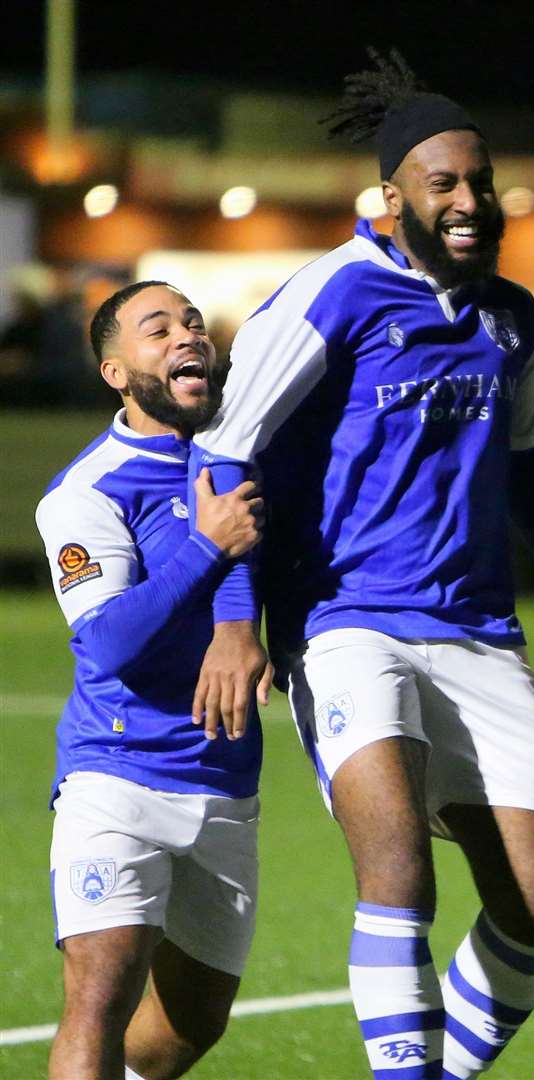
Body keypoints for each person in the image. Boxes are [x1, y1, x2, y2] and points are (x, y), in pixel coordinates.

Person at [187, 49, 534, 1080]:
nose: (469, 200)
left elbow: (527, 465)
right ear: (391, 200)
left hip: (476, 631)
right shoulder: (331, 295)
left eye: (478, 181)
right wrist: (237, 618)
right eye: (444, 185)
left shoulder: (507, 316)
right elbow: (222, 455)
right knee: (399, 874)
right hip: (346, 625)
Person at [35, 281, 266, 1080]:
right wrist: (205, 549)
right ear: (114, 371)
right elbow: (109, 643)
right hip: (118, 772)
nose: (185, 336)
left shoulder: (245, 457)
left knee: (189, 1027)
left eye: (193, 323)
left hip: (225, 775)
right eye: (156, 328)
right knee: (97, 997)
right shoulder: (85, 492)